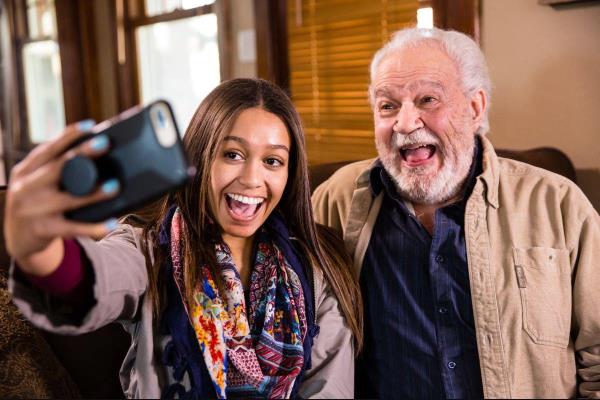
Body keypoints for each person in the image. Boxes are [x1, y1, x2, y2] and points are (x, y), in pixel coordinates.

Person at [6, 78, 362, 398]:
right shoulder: (148, 251)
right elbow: (89, 284)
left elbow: (330, 389)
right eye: (233, 154)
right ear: (201, 157)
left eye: (272, 161)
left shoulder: (317, 268)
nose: (253, 179)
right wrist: (39, 245)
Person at [312, 27, 600, 399]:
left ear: (475, 108)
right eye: (387, 106)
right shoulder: (334, 201)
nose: (404, 123)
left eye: (428, 99)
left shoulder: (558, 205)